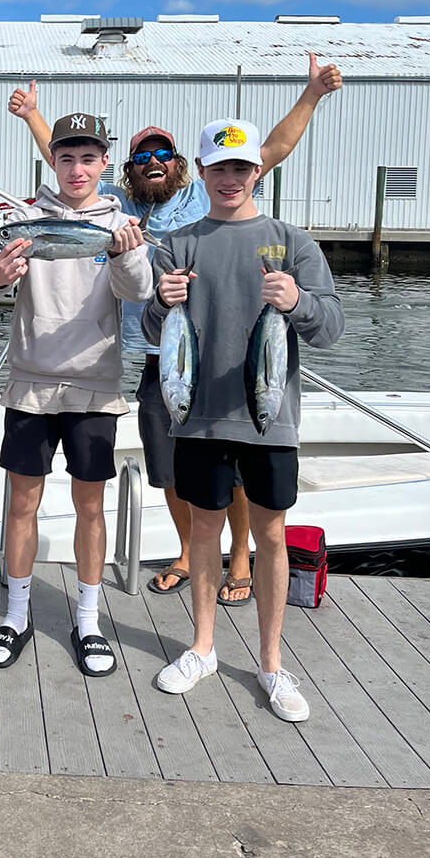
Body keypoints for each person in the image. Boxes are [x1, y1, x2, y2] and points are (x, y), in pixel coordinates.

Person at [7, 53, 341, 604]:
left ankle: (239, 558)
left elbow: (270, 151)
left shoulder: (202, 195)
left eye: (163, 153)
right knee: (168, 465)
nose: (153, 161)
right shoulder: (118, 208)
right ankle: (189, 552)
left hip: (227, 355)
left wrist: (312, 95)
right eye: (143, 156)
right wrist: (33, 118)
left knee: (237, 462)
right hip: (157, 353)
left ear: (187, 166)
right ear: (127, 168)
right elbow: (69, 162)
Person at [141, 119, 344, 721]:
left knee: (271, 535)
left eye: (240, 168)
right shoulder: (178, 244)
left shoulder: (291, 242)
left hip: (268, 418)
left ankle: (272, 664)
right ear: (201, 173)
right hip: (198, 417)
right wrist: (161, 303)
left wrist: (296, 301)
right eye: (218, 168)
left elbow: (331, 327)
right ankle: (202, 648)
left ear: (258, 171)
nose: (229, 178)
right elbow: (151, 331)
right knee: (204, 531)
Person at [0, 113, 151, 676]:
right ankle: (16, 615)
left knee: (90, 507)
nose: (78, 169)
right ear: (52, 160)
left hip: (95, 385)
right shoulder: (23, 221)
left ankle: (89, 620)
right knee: (21, 503)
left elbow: (139, 291)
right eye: (67, 157)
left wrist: (125, 254)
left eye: (88, 158)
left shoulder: (121, 225)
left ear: (104, 163)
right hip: (30, 384)